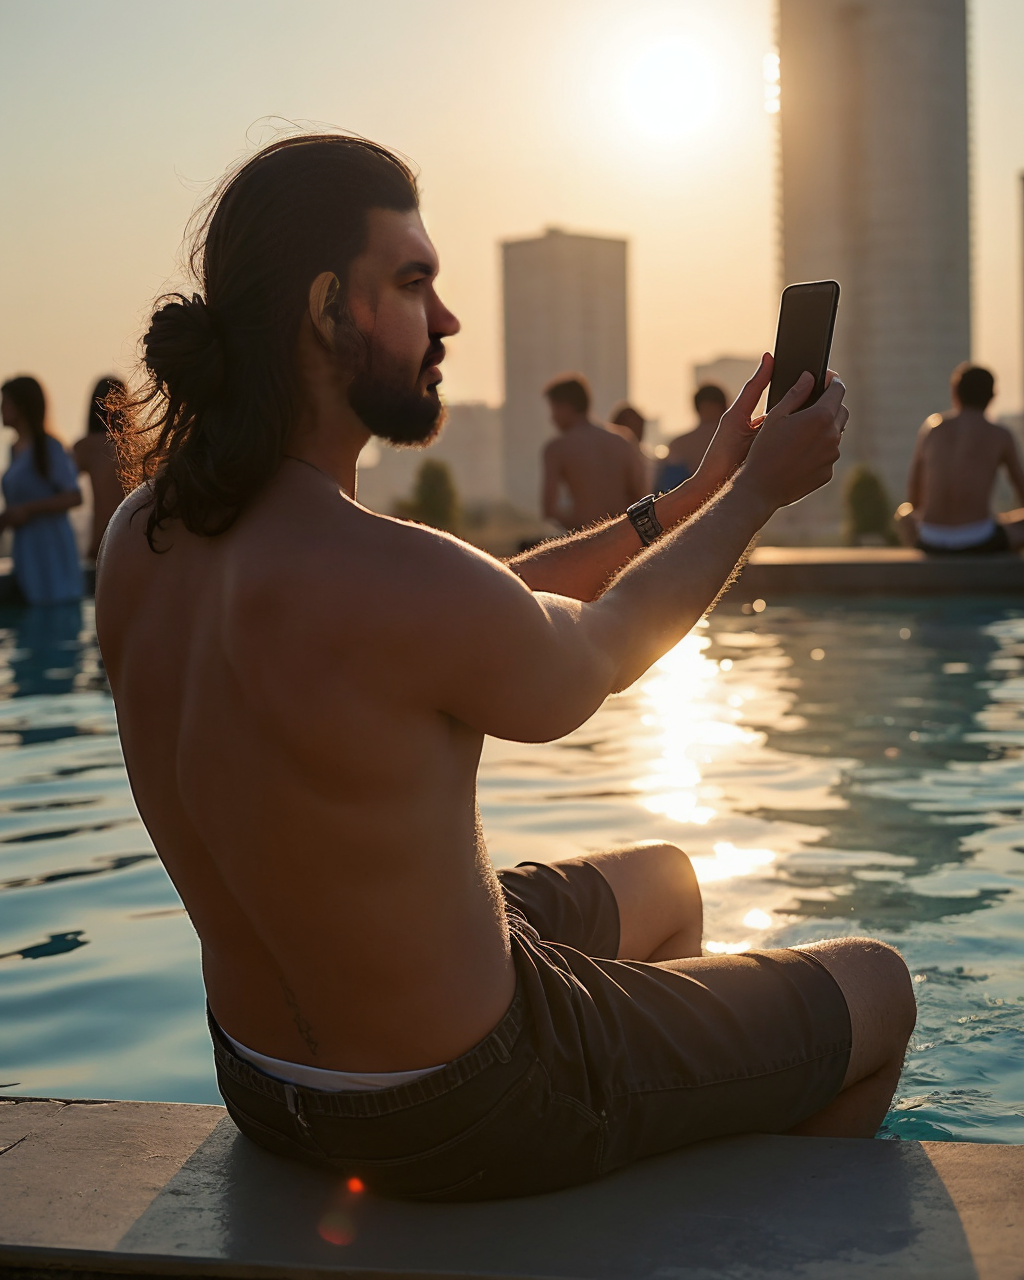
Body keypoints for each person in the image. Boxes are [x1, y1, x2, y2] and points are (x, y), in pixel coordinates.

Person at [96, 134, 912, 1204]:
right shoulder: (383, 577)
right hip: (467, 1101)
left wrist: (689, 495)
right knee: (879, 988)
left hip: (262, 1078)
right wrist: (757, 494)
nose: (447, 321)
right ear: (326, 307)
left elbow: (468, 608)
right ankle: (696, 1230)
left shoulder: (139, 541)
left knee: (667, 878)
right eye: (415, 282)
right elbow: (594, 653)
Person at [896, 363, 1024, 555]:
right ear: (992, 396)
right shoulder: (1000, 434)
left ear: (955, 393)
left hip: (930, 539)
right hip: (979, 540)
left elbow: (913, 497)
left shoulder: (932, 428)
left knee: (903, 514)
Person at [0, 376, 83, 605]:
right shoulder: (14, 450)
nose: (1, 409)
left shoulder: (49, 448)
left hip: (51, 548)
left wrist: (28, 510)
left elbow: (74, 496)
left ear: (22, 406)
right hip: (26, 549)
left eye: (5, 402)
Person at [541, 376, 648, 529]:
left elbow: (549, 509)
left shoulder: (557, 448)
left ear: (565, 407)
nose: (552, 418)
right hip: (623, 535)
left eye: (554, 409)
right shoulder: (622, 440)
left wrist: (582, 530)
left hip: (587, 539)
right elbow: (640, 496)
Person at [74, 377, 129, 560]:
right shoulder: (138, 447)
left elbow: (56, 483)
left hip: (102, 538)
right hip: (135, 532)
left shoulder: (85, 447)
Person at [659, 383, 729, 493]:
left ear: (697, 408)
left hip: (691, 505)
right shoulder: (737, 440)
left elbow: (668, 488)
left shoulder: (679, 444)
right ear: (724, 406)